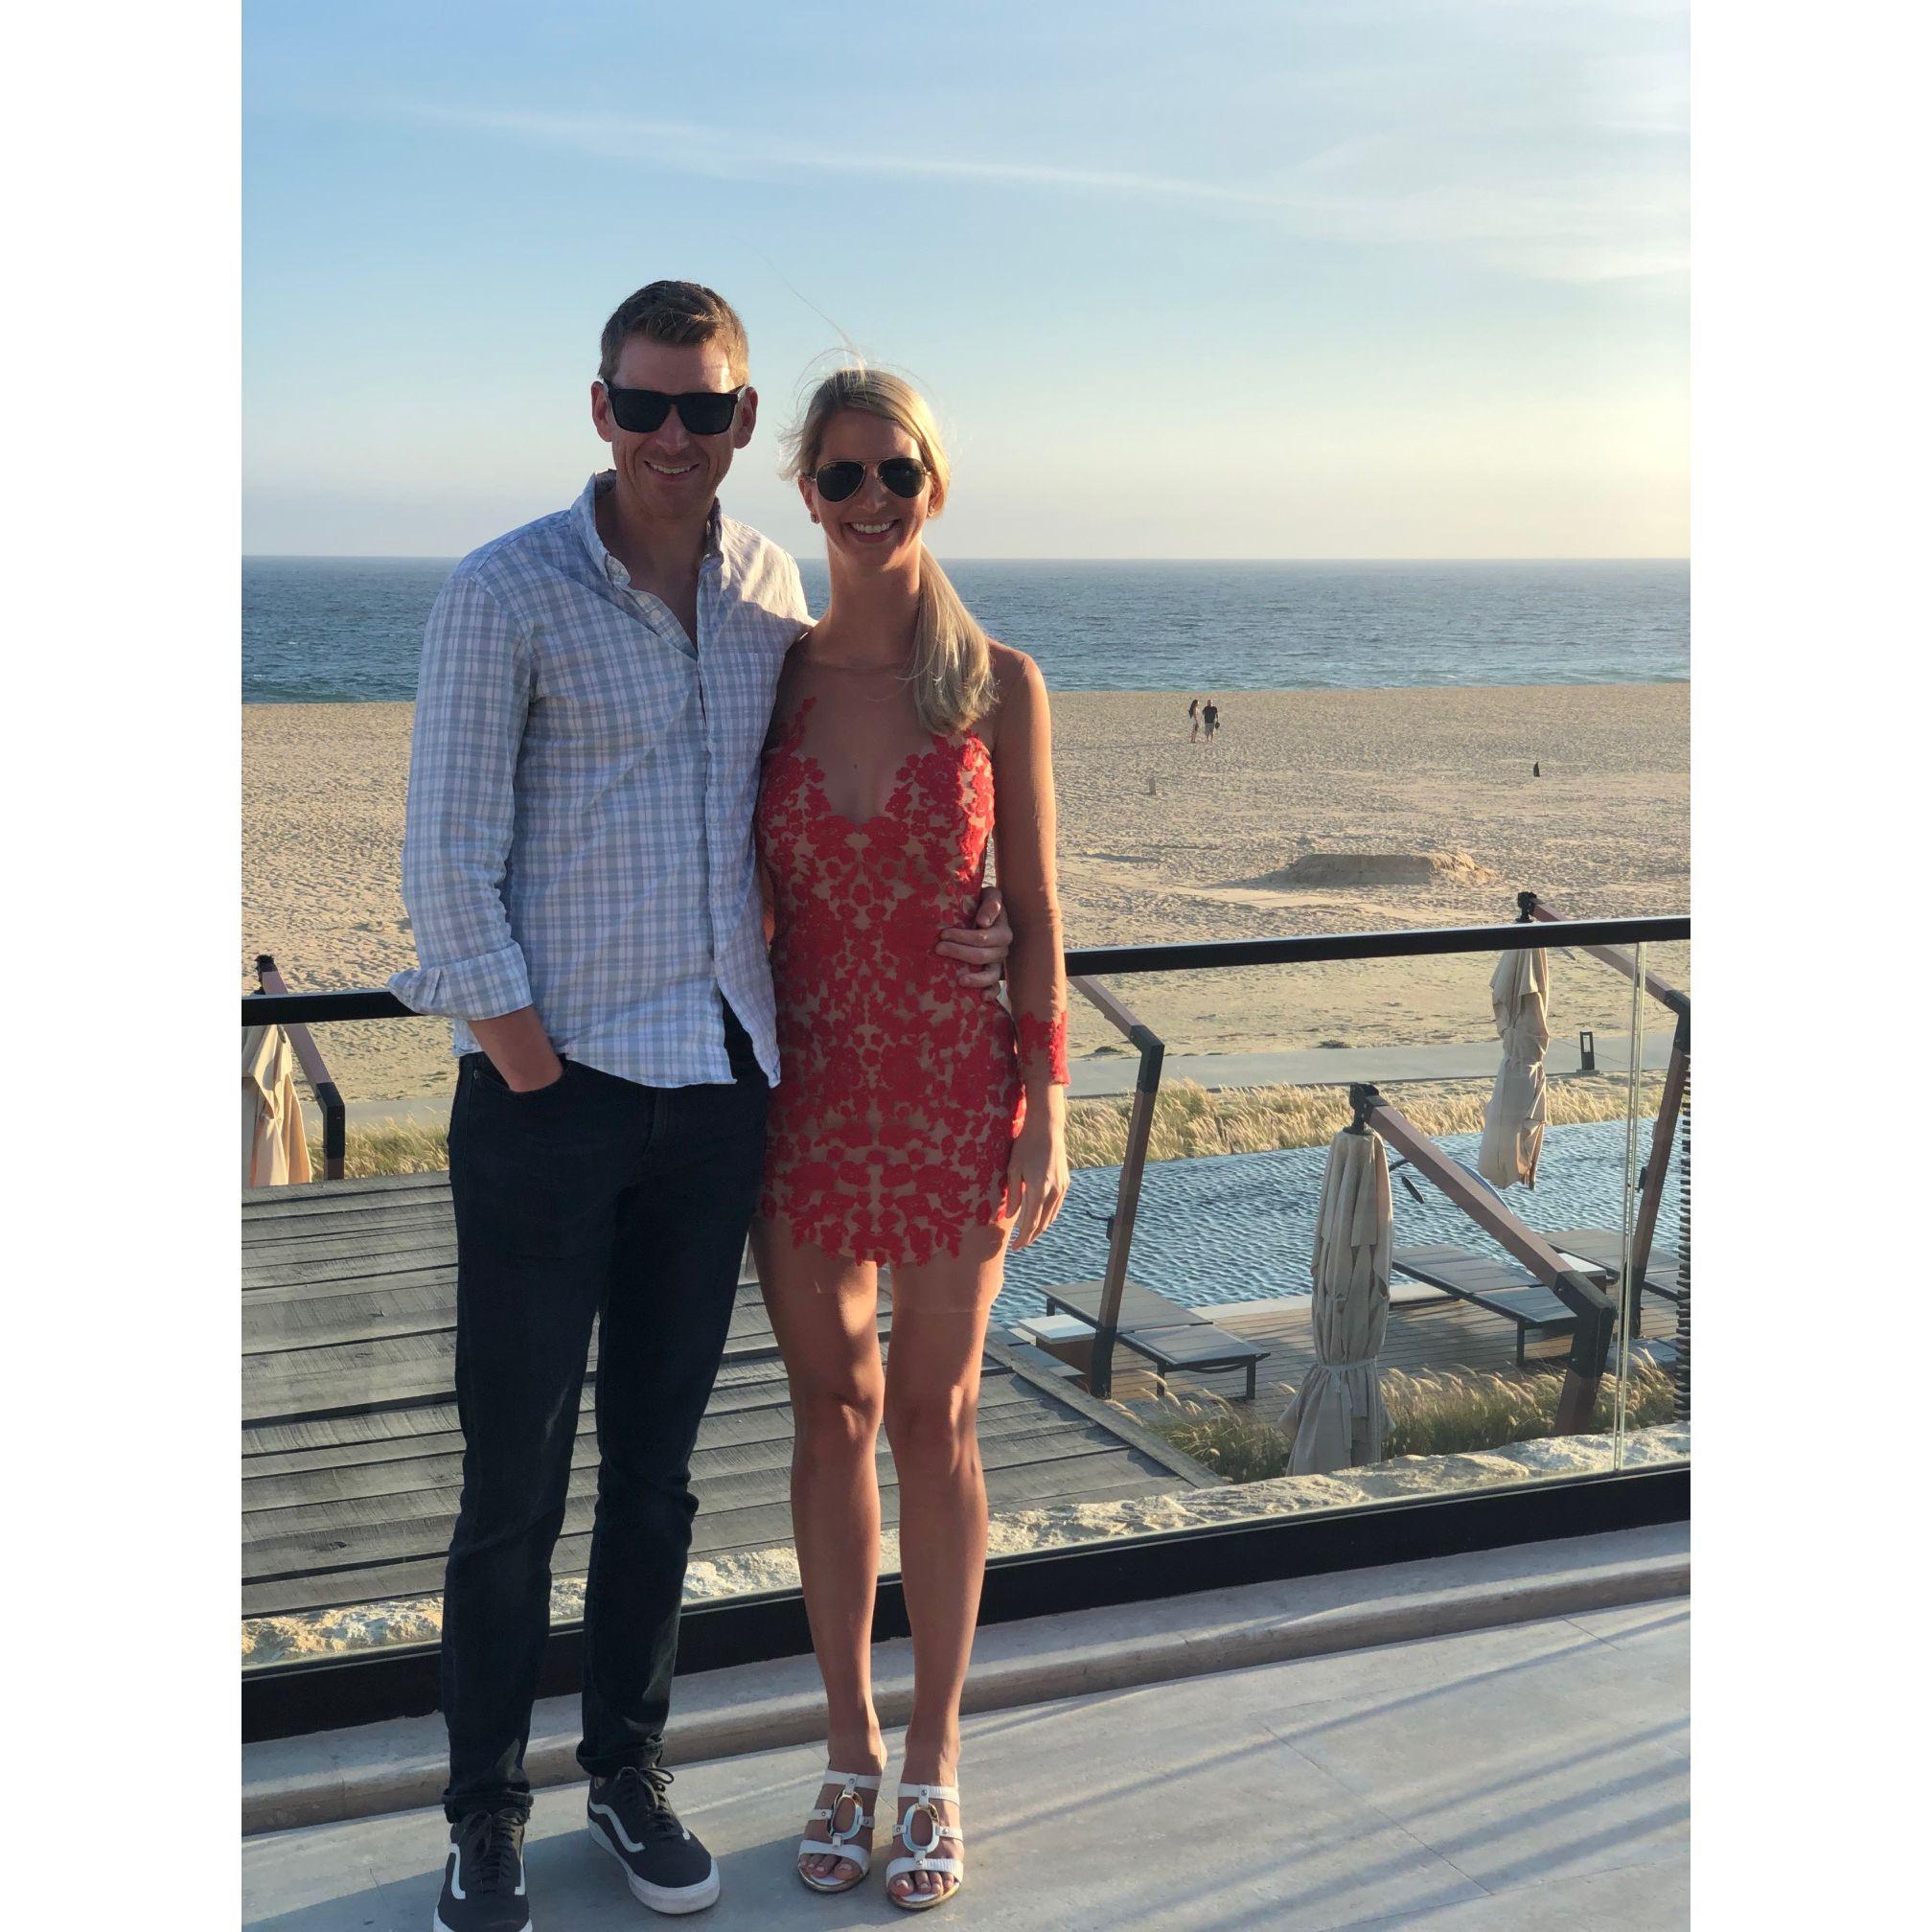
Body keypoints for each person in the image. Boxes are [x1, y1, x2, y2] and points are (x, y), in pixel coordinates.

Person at [389, 284, 1013, 1932]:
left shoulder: (765, 596)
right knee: (513, 1484)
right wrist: (535, 1070)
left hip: (728, 1097)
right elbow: (444, 869)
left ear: (744, 427)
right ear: (601, 407)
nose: (676, 436)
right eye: (647, 404)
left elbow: (825, 830)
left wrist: (991, 927)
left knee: (657, 1476)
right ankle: (484, 1814)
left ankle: (628, 1774)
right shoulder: (504, 590)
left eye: (707, 408)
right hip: (554, 1100)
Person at [753, 368, 1070, 1912]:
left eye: (896, 474)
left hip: (954, 1093)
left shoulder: (998, 683)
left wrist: (1048, 1103)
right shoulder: (770, 678)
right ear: (805, 493)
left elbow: (1040, 910)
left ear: (934, 487)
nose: (871, 500)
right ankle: (847, 1744)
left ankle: (935, 1756)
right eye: (842, 476)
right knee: (830, 1415)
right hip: (805, 1091)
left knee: (935, 1420)